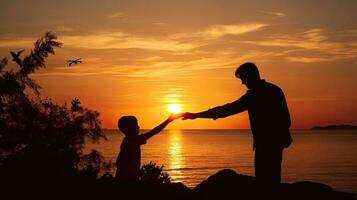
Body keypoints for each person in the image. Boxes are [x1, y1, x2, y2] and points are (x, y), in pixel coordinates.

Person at [182, 62, 292, 184]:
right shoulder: (275, 90)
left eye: (243, 78)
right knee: (273, 180)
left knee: (264, 182)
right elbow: (287, 120)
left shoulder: (254, 95)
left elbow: (227, 110)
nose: (242, 83)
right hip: (276, 144)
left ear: (250, 76)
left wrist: (196, 115)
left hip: (265, 145)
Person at [115, 114, 180, 181]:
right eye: (136, 125)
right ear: (130, 128)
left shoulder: (127, 140)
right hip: (127, 181)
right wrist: (168, 121)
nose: (138, 127)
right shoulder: (132, 140)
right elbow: (154, 132)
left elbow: (119, 161)